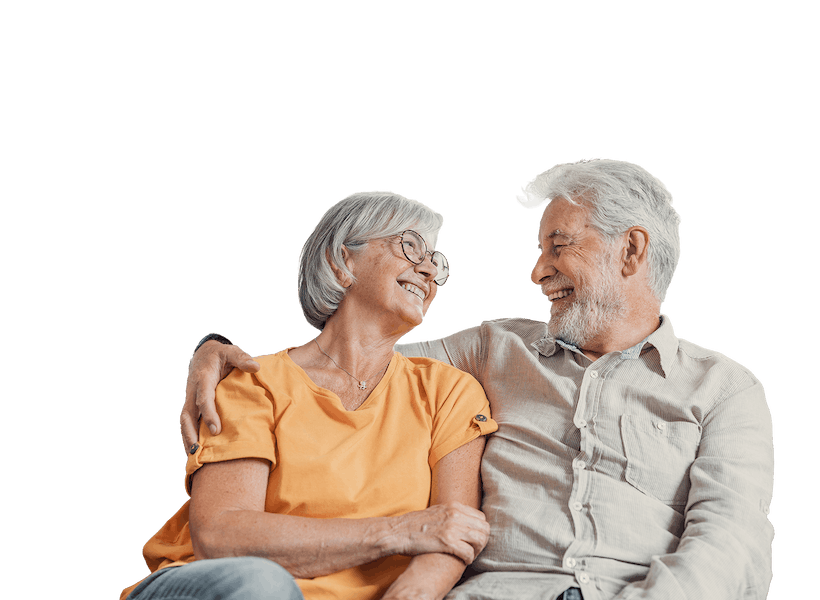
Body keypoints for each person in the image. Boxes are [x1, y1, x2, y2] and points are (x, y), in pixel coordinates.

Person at [182, 159, 775, 600]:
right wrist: (213, 350)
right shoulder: (493, 349)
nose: (538, 271)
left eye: (558, 247)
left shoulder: (724, 389)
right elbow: (356, 346)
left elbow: (730, 540)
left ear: (631, 251)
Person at [119, 192, 499, 600]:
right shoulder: (255, 383)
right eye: (410, 246)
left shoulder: (449, 392)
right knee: (262, 585)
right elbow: (221, 535)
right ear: (342, 262)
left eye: (436, 262)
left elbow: (452, 534)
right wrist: (400, 531)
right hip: (220, 586)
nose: (428, 270)